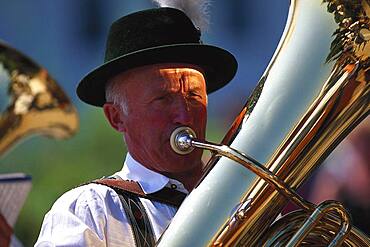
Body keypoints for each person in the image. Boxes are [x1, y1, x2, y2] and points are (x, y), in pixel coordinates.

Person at [35, 7, 237, 246]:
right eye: (162, 99)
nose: (184, 116)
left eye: (194, 96)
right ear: (116, 118)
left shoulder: (241, 197)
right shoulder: (89, 211)